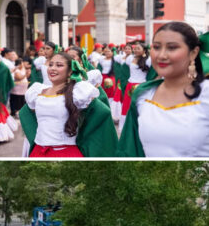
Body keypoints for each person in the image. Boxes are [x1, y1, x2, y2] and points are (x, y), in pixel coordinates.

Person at [118, 22, 209, 156]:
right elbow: (129, 150)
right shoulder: (143, 94)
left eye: (172, 48)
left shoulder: (205, 94)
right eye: (156, 47)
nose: (161, 55)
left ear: (193, 53)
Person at [20, 51, 117, 157]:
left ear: (70, 71)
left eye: (59, 65)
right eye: (51, 64)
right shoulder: (37, 92)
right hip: (39, 152)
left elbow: (103, 112)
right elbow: (28, 115)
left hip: (65, 152)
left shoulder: (78, 92)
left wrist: (84, 136)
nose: (52, 68)